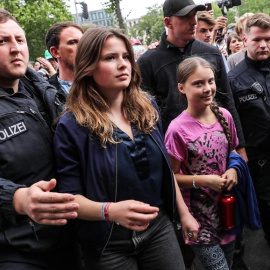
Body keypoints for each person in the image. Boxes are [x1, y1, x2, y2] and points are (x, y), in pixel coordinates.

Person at [54, 26, 199, 270]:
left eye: (126, 56)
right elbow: (70, 199)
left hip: (158, 228)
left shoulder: (147, 106)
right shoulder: (72, 125)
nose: (123, 64)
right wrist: (109, 211)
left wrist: (183, 213)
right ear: (88, 66)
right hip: (109, 242)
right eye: (110, 58)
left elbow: (165, 168)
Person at [0, 9, 80, 269]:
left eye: (19, 40)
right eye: (3, 41)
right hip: (19, 249)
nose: (15, 49)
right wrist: (17, 198)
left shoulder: (46, 93)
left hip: (73, 236)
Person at [137, 0, 245, 155]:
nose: (193, 21)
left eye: (194, 15)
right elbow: (146, 118)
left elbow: (228, 101)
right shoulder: (148, 62)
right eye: (186, 16)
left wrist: (239, 148)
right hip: (175, 155)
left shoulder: (211, 53)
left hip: (218, 149)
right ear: (168, 22)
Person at [165, 56, 239, 270]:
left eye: (210, 81)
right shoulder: (177, 129)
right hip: (199, 220)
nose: (207, 88)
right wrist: (203, 180)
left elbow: (232, 151)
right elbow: (172, 177)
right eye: (198, 83)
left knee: (229, 263)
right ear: (181, 88)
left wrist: (234, 168)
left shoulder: (224, 115)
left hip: (227, 212)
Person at [228, 13, 270, 248]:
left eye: (268, 39)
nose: (263, 44)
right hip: (258, 159)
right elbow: (232, 124)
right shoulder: (233, 79)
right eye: (257, 40)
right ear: (245, 40)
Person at [45, 21, 84, 94]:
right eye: (72, 42)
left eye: (83, 42)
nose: (82, 47)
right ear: (55, 52)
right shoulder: (44, 95)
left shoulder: (103, 85)